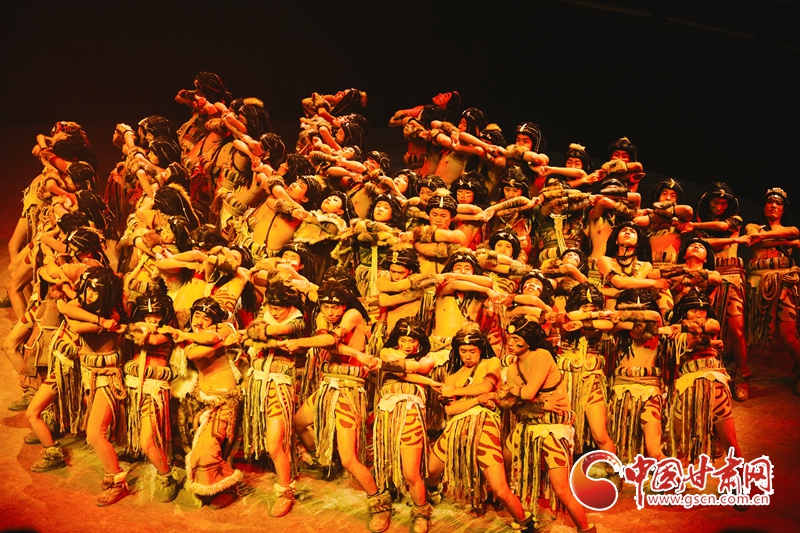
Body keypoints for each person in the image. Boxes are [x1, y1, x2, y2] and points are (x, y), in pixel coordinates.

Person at [286, 282, 392, 533]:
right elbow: (328, 343)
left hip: (348, 388)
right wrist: (354, 351)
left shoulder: (353, 315)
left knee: (349, 459)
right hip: (327, 385)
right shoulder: (323, 317)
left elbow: (330, 340)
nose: (331, 312)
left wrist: (300, 342)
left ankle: (379, 502)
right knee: (298, 423)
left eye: (336, 307)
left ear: (344, 305)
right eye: (326, 307)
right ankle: (323, 457)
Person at [426, 328, 536, 531]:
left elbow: (486, 387)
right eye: (463, 351)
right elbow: (450, 410)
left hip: (485, 425)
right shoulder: (452, 376)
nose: (468, 356)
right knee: (432, 470)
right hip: (455, 428)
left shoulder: (491, 363)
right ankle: (432, 492)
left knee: (499, 488)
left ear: (480, 349)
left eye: (472, 351)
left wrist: (456, 392)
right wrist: (477, 400)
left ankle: (524, 522)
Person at [498, 317, 595, 532]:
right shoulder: (512, 369)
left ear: (529, 340)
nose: (510, 343)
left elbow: (527, 393)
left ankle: (586, 529)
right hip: (528, 426)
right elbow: (510, 405)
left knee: (561, 489)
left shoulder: (541, 356)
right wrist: (539, 403)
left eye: (516, 339)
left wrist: (512, 392)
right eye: (509, 338)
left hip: (553, 428)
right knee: (506, 460)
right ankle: (525, 517)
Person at [170, 297, 243, 509]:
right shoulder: (190, 342)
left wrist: (187, 334)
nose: (200, 321)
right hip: (204, 401)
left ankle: (229, 487)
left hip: (226, 400)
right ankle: (217, 485)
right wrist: (223, 343)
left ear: (214, 320)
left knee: (208, 448)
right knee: (206, 448)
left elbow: (212, 337)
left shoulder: (223, 328)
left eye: (206, 318)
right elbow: (194, 352)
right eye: (197, 316)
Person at [241, 283, 306, 516]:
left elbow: (269, 331)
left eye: (279, 308)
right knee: (270, 442)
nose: (274, 312)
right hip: (258, 383)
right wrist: (266, 340)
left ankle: (285, 491)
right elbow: (248, 338)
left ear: (290, 306)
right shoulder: (265, 314)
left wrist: (257, 335)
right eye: (271, 307)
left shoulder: (298, 321)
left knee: (275, 443)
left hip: (280, 385)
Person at [373, 318, 439, 533]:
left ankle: (421, 512)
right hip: (387, 413)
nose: (408, 345)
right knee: (384, 465)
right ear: (396, 339)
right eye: (403, 340)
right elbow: (400, 369)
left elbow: (414, 368)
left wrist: (387, 365)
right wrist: (425, 380)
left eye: (413, 341)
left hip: (411, 411)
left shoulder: (428, 358)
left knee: (411, 472)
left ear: (420, 341)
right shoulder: (386, 351)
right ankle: (382, 507)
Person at [687, 182, 750, 400]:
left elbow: (723, 228)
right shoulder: (701, 229)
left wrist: (694, 226)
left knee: (737, 329)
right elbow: (705, 244)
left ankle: (742, 374)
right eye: (716, 202)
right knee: (709, 327)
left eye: (724, 203)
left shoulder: (735, 220)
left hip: (732, 277)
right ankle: (710, 368)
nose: (720, 207)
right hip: (710, 278)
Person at [123, 289, 180, 502]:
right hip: (133, 388)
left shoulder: (167, 332)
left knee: (147, 441)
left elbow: (151, 340)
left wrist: (138, 327)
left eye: (156, 315)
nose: (152, 320)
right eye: (147, 316)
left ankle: (166, 476)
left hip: (154, 390)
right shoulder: (141, 327)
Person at [743, 188, 800, 395]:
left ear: (783, 209)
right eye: (770, 202)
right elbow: (753, 238)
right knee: (748, 333)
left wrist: (764, 238)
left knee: (788, 335)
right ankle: (742, 373)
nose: (774, 205)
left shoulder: (791, 229)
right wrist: (787, 242)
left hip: (783, 283)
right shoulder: (751, 227)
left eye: (779, 203)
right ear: (764, 206)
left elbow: (793, 233)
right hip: (757, 282)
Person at [608, 289, 667, 463]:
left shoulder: (655, 327)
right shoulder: (617, 331)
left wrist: (624, 316)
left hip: (649, 391)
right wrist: (624, 323)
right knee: (621, 445)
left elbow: (654, 315)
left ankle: (671, 475)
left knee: (654, 450)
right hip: (621, 391)